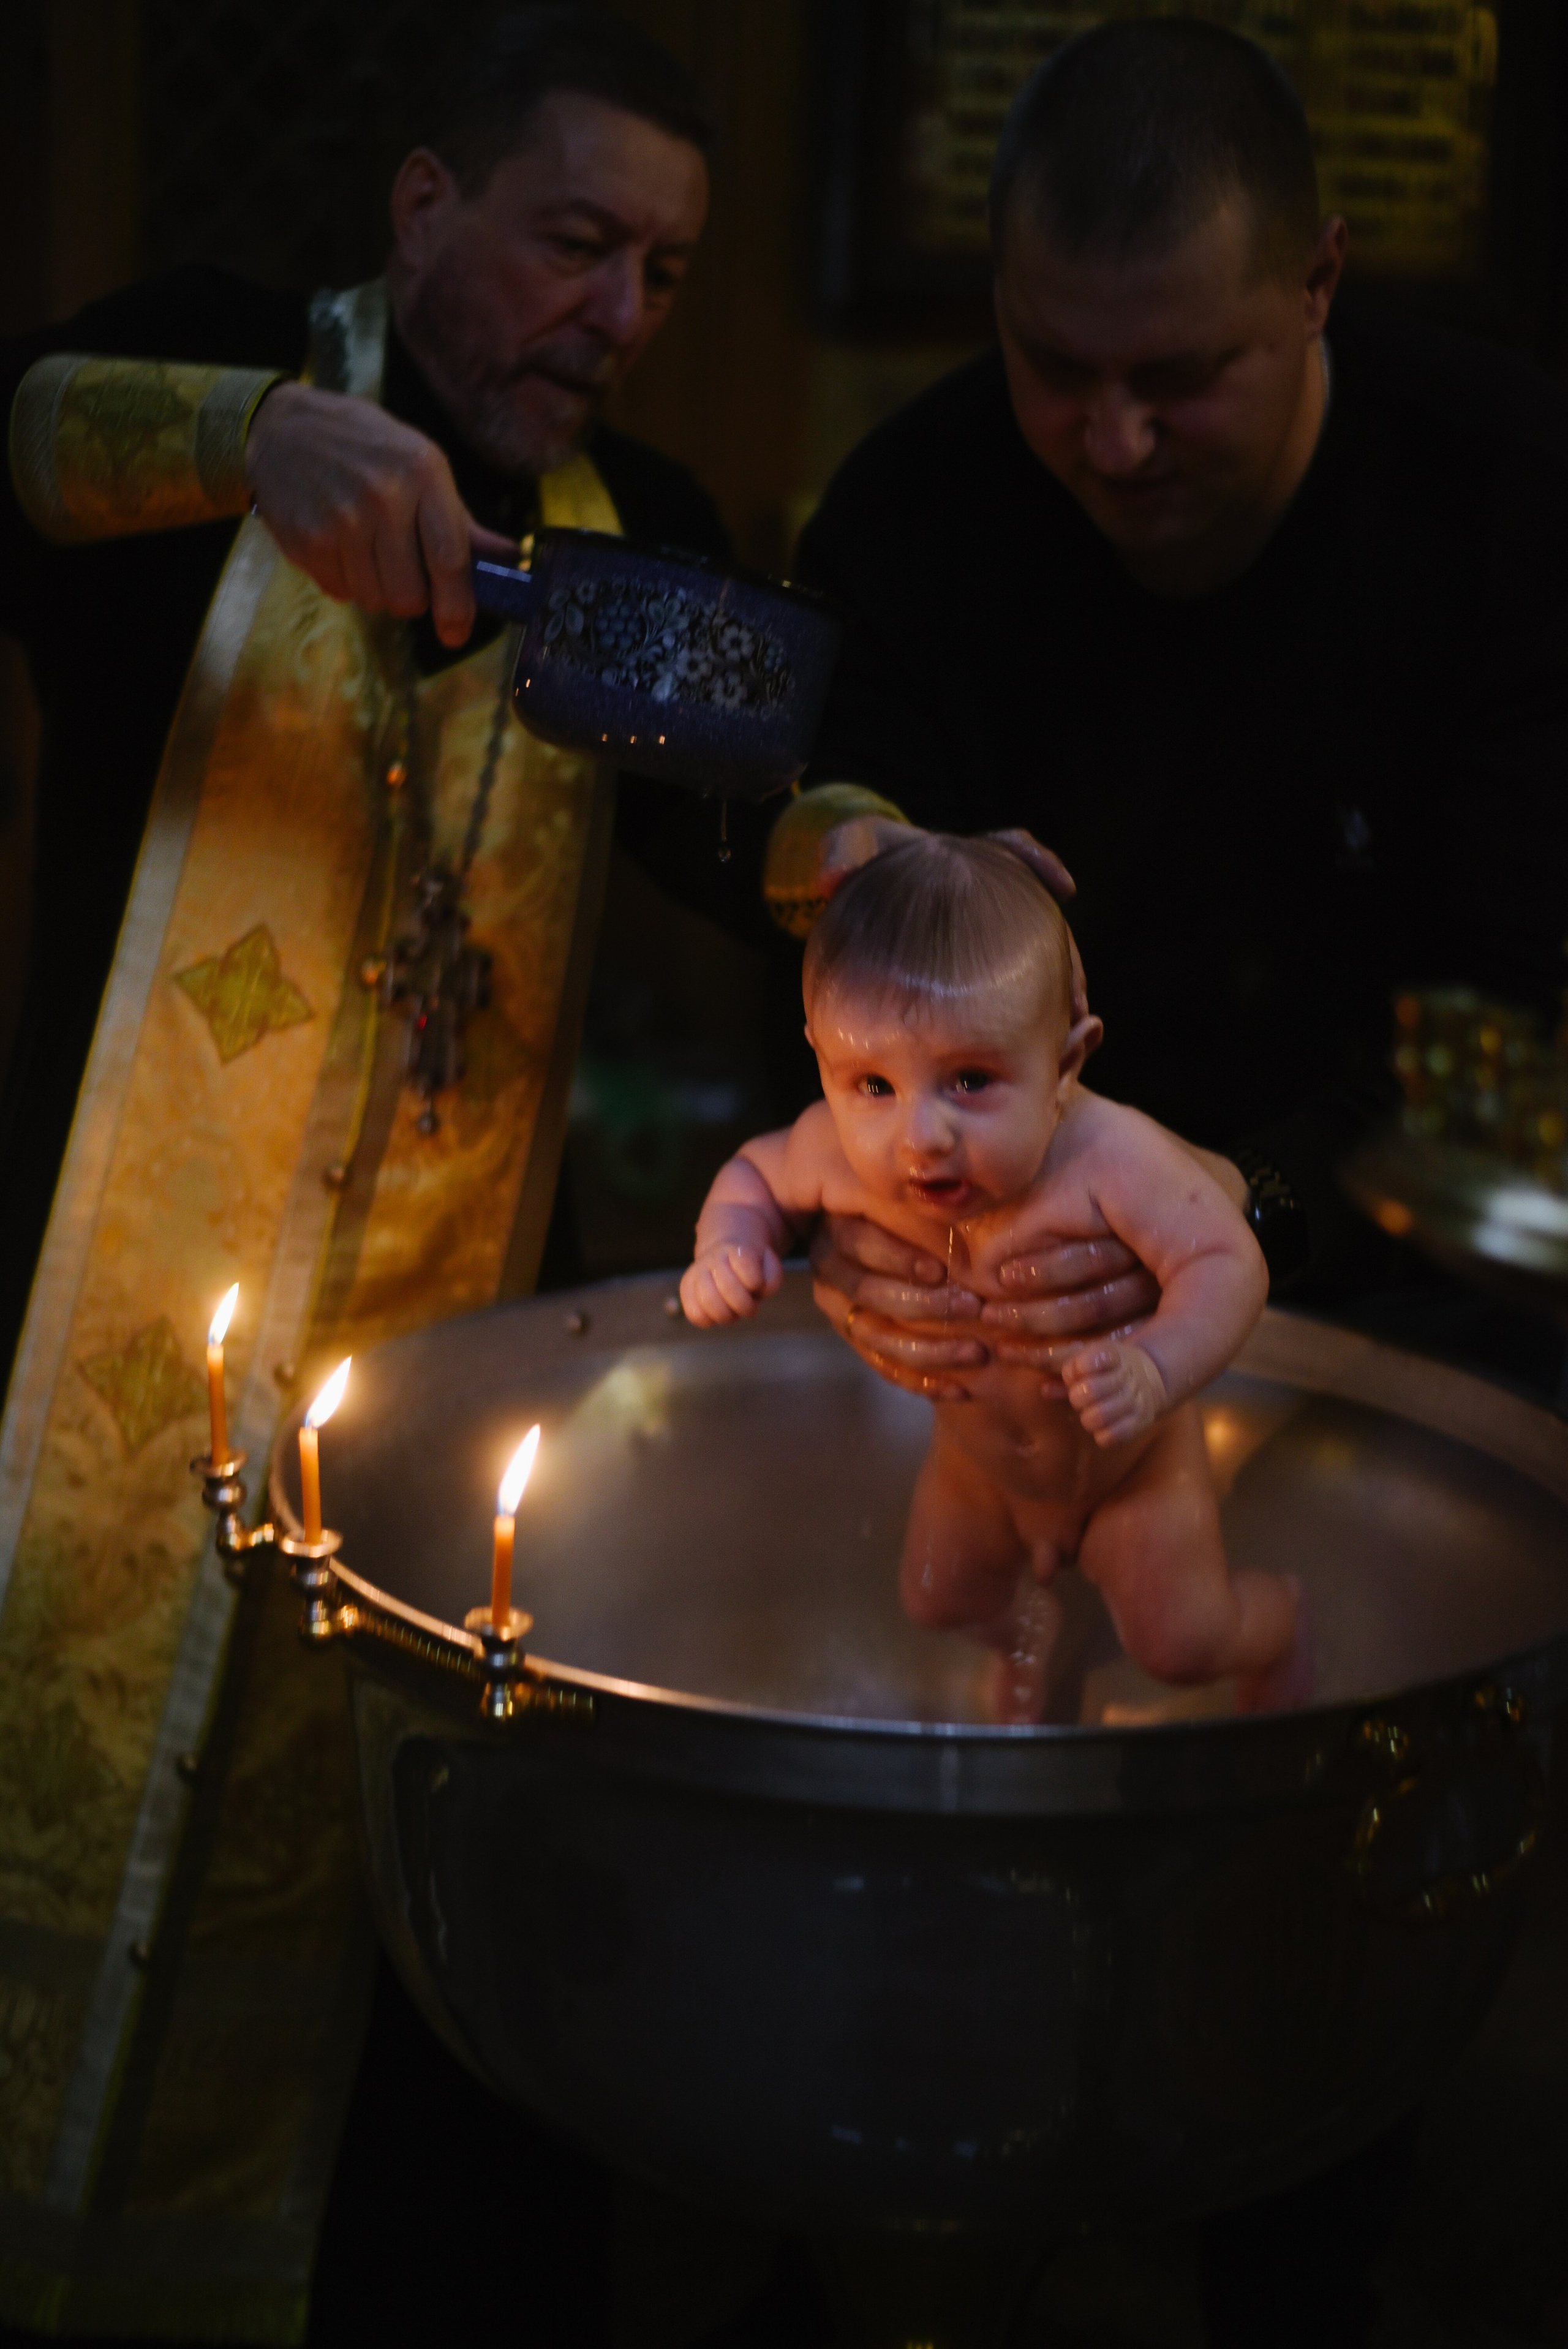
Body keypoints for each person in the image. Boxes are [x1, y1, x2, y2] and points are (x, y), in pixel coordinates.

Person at [767, 17, 1568, 1403]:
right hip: (1004, 1316)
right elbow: (829, 920)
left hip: (1423, 1314)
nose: (1114, 441)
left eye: (1179, 378)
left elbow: (1517, 1017)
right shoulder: (910, 517)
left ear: (1316, 280)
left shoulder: (1508, 499)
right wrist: (849, 1196)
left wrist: (1233, 1207)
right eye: (1054, 365)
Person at [684, 831, 1296, 1719]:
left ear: (1067, 1062)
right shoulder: (838, 1154)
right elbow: (751, 1175)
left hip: (1132, 1473)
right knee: (936, 1597)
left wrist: (1156, 1366)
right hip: (978, 1474)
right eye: (872, 1086)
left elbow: (1229, 1259)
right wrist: (728, 1244)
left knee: (1179, 1643)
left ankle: (1278, 1626)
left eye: (969, 1081)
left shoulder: (1111, 1158)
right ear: (818, 1053)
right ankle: (1028, 1636)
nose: (919, 1136)